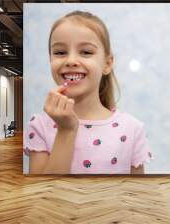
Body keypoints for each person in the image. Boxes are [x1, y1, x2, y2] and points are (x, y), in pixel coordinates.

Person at [24, 10, 152, 174]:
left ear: (107, 63)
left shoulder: (132, 129)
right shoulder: (39, 126)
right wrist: (66, 130)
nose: (70, 61)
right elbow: (43, 197)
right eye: (60, 52)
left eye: (86, 52)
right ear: (50, 59)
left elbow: (138, 195)